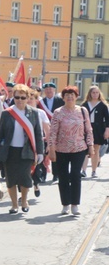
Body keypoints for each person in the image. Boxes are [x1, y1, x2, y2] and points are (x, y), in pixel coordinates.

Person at [0, 84, 44, 214]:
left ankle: (24, 201)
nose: (19, 100)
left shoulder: (34, 113)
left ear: (27, 98)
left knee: (25, 178)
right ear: (13, 97)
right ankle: (14, 205)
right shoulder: (7, 113)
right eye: (17, 97)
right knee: (11, 179)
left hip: (27, 151)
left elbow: (38, 133)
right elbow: (0, 134)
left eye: (22, 97)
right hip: (10, 151)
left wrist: (41, 152)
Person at [48, 86, 92, 215]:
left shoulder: (83, 111)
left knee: (75, 175)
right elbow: (53, 132)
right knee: (63, 176)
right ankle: (65, 204)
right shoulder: (58, 112)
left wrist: (90, 146)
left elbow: (88, 130)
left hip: (79, 148)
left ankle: (75, 204)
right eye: (67, 95)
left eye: (72, 94)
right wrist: (51, 148)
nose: (70, 97)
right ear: (63, 97)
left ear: (76, 96)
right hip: (61, 149)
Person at [80, 85, 109, 178]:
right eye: (93, 92)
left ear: (99, 93)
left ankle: (93, 171)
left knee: (96, 150)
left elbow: (107, 119)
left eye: (97, 92)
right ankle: (83, 170)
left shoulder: (103, 105)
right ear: (90, 93)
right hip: (86, 129)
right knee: (85, 150)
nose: (95, 94)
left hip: (98, 129)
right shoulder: (84, 105)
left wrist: (107, 131)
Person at [27, 89, 51, 197]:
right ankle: (23, 190)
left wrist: (49, 145)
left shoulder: (41, 113)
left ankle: (36, 183)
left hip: (38, 143)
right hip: (25, 144)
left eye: (31, 99)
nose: (29, 101)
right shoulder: (21, 112)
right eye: (27, 98)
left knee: (36, 167)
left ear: (36, 100)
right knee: (23, 168)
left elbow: (47, 129)